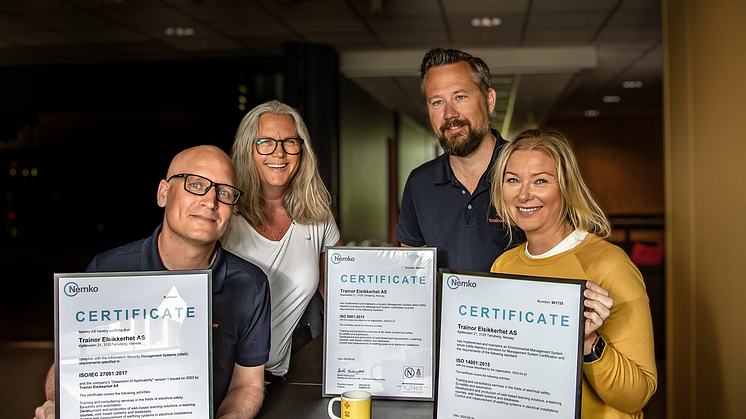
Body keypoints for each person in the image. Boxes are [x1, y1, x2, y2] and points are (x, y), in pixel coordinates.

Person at [34, 145, 271, 419]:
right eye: (196, 184)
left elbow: (247, 384)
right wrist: (59, 402)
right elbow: (67, 370)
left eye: (224, 192)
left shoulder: (249, 285)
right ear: (163, 193)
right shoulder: (108, 272)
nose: (210, 201)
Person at [490, 129, 657, 418]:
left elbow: (636, 397)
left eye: (540, 180)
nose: (524, 194)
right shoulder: (503, 266)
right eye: (512, 180)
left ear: (566, 187)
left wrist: (588, 342)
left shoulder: (609, 264)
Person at [221, 100, 342, 383]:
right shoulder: (225, 214)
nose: (279, 152)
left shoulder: (317, 216)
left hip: (280, 376)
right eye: (265, 142)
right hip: (224, 378)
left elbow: (341, 296)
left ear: (302, 150)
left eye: (290, 142)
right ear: (247, 150)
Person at [396, 47, 515, 272]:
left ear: (489, 100)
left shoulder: (525, 171)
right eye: (437, 102)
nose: (449, 114)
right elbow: (410, 273)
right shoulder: (419, 183)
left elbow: (562, 253)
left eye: (460, 97)